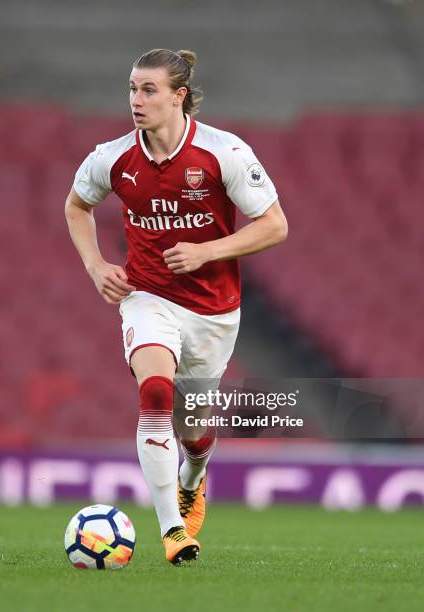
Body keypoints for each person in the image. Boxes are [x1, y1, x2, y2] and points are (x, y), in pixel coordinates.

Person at [65, 48, 288, 565]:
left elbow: (275, 225)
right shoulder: (113, 157)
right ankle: (172, 530)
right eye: (131, 89)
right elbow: (77, 206)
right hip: (147, 296)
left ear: (178, 96)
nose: (136, 101)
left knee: (194, 428)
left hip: (213, 309)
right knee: (156, 392)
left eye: (148, 91)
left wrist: (209, 250)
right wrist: (97, 266)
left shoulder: (223, 151)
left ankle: (193, 477)